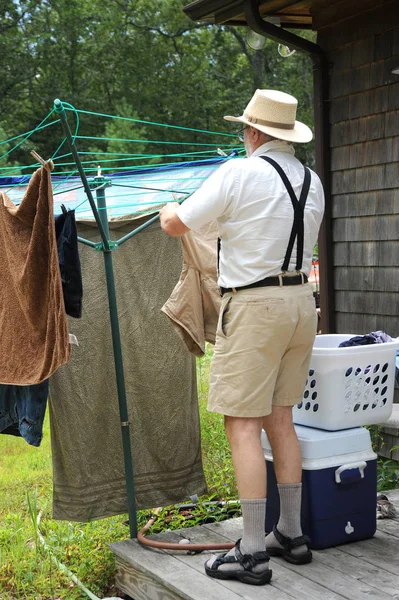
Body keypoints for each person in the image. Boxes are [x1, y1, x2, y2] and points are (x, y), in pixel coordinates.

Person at [160, 89, 325, 586]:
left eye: (243, 129)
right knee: (281, 418)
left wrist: (170, 202)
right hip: (302, 303)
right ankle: (290, 534)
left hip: (255, 307)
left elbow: (175, 225)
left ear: (254, 132)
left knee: (242, 426)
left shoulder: (238, 172)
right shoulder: (312, 180)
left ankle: (251, 552)